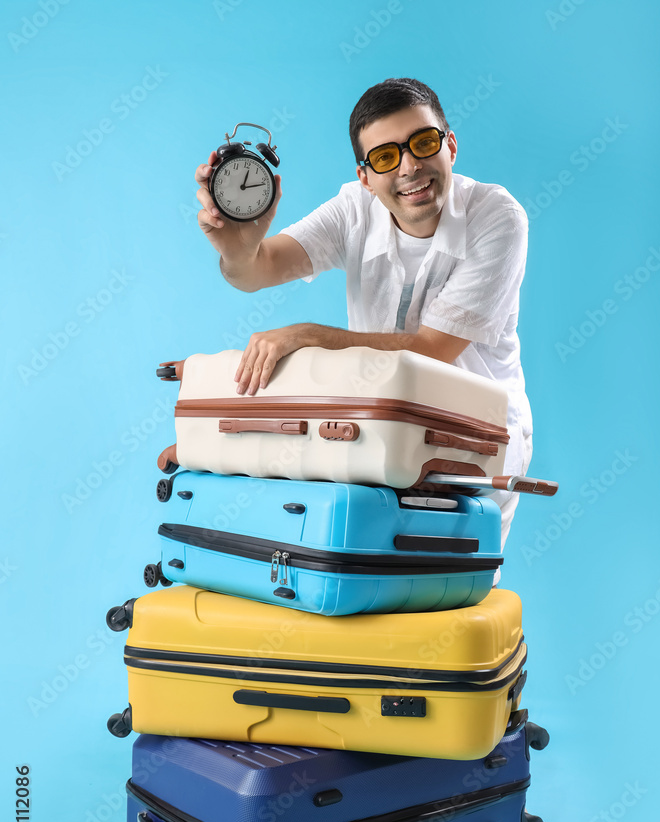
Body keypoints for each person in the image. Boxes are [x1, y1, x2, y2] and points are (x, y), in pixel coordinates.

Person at [194, 77, 533, 555]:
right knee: (367, 586)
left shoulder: (497, 217)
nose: (410, 167)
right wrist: (239, 246)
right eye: (385, 157)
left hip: (475, 442)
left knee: (447, 592)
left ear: (450, 145)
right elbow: (258, 270)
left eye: (422, 143)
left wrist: (308, 336)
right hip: (382, 432)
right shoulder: (353, 209)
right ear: (366, 177)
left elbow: (434, 350)